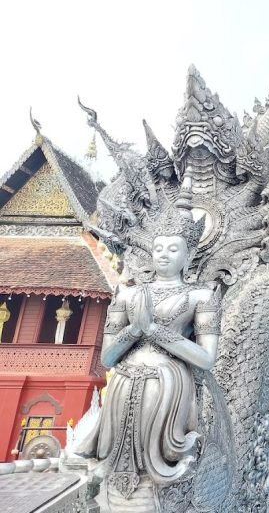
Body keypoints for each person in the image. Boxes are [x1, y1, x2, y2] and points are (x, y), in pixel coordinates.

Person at [78, 206, 220, 511]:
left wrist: (154, 330)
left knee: (159, 465)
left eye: (173, 248)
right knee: (117, 465)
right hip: (124, 384)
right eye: (157, 248)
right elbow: (107, 358)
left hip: (169, 386)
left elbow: (206, 358)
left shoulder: (201, 297)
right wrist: (133, 330)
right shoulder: (127, 295)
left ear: (190, 254)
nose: (163, 255)